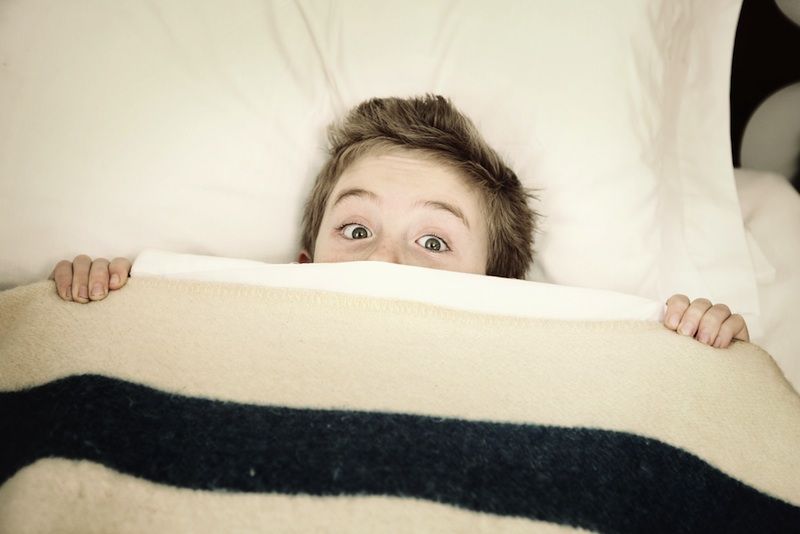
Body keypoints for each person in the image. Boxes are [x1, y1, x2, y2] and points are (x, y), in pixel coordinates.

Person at [50, 95, 749, 349]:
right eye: (355, 230)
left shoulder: (538, 347)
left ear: (501, 291)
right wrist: (105, 310)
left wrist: (697, 349)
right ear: (305, 264)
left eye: (435, 241)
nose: (383, 260)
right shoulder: (216, 320)